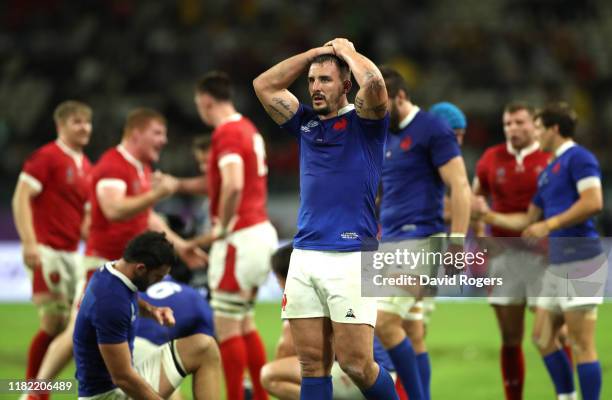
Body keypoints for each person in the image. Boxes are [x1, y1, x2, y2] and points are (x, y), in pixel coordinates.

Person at [254, 38, 398, 400]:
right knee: (311, 366)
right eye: (312, 81)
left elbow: (376, 85)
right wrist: (312, 56)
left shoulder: (365, 124)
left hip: (352, 255)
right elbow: (263, 85)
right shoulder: (303, 122)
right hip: (304, 255)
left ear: (346, 86)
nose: (316, 87)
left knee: (357, 365)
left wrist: (345, 52)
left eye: (326, 80)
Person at [28, 108, 207, 397]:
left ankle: (40, 391)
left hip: (130, 268)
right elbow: (114, 208)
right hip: (106, 264)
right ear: (137, 134)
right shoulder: (114, 165)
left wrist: (180, 245)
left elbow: (147, 215)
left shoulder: (140, 167)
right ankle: (34, 392)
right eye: (158, 133)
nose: (164, 140)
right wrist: (157, 194)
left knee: (88, 328)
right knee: (76, 326)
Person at [474, 102, 604, 400]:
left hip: (582, 258)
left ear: (553, 130)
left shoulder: (580, 158)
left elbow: (593, 201)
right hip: (558, 261)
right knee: (542, 337)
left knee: (582, 344)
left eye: (540, 127)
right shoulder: (548, 171)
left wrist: (551, 224)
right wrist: (487, 217)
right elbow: (528, 220)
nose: (536, 133)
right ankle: (566, 396)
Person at [376, 67, 471, 400]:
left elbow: (459, 186)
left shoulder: (433, 129)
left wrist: (457, 241)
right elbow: (382, 190)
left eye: (381, 105)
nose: (377, 114)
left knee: (383, 322)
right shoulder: (385, 134)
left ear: (400, 96)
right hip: (390, 240)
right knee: (412, 330)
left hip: (421, 241)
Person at [192, 71, 278, 400]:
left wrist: (222, 227)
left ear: (205, 101)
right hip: (261, 232)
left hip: (239, 237)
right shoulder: (248, 128)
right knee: (244, 321)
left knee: (227, 324)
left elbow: (234, 183)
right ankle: (258, 394)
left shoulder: (226, 133)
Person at [73, 231, 221, 399]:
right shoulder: (111, 302)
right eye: (158, 276)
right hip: (108, 395)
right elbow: (123, 378)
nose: (159, 282)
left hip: (115, 385)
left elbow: (130, 297)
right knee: (204, 349)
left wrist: (153, 311)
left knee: (204, 346)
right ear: (141, 268)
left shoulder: (112, 272)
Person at [472, 102, 554, 400]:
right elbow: (475, 197)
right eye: (508, 124)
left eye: (520, 123)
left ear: (535, 124)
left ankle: (566, 392)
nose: (513, 129)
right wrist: (480, 234)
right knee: (510, 338)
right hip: (504, 257)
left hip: (544, 256)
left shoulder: (550, 157)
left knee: (550, 336)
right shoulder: (491, 158)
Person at [12, 100, 93, 382]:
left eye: (87, 122)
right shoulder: (46, 157)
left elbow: (84, 221)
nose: (85, 127)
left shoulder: (86, 166)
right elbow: (21, 197)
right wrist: (29, 243)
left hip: (73, 255)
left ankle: (39, 386)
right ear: (61, 126)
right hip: (47, 250)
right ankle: (34, 389)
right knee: (54, 321)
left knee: (74, 328)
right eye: (77, 122)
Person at [261, 244, 398, 400]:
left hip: (358, 376)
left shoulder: (306, 291)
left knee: (271, 375)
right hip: (380, 373)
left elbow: (285, 349)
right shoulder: (337, 282)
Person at [134, 272, 215, 400]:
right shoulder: (192, 295)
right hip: (149, 349)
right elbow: (207, 340)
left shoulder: (131, 289)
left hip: (117, 349)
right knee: (208, 350)